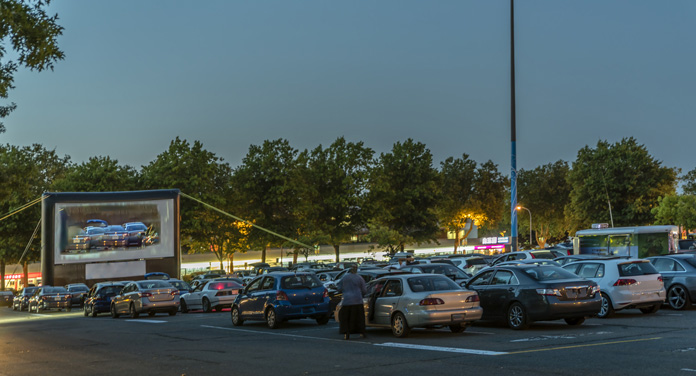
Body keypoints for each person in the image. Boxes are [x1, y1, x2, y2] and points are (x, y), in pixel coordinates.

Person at [337, 265, 367, 340]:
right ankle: (362, 332)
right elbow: (364, 290)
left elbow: (339, 288)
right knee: (359, 318)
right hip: (358, 300)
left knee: (346, 318)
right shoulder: (359, 278)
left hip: (347, 300)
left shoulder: (345, 278)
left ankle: (346, 333)